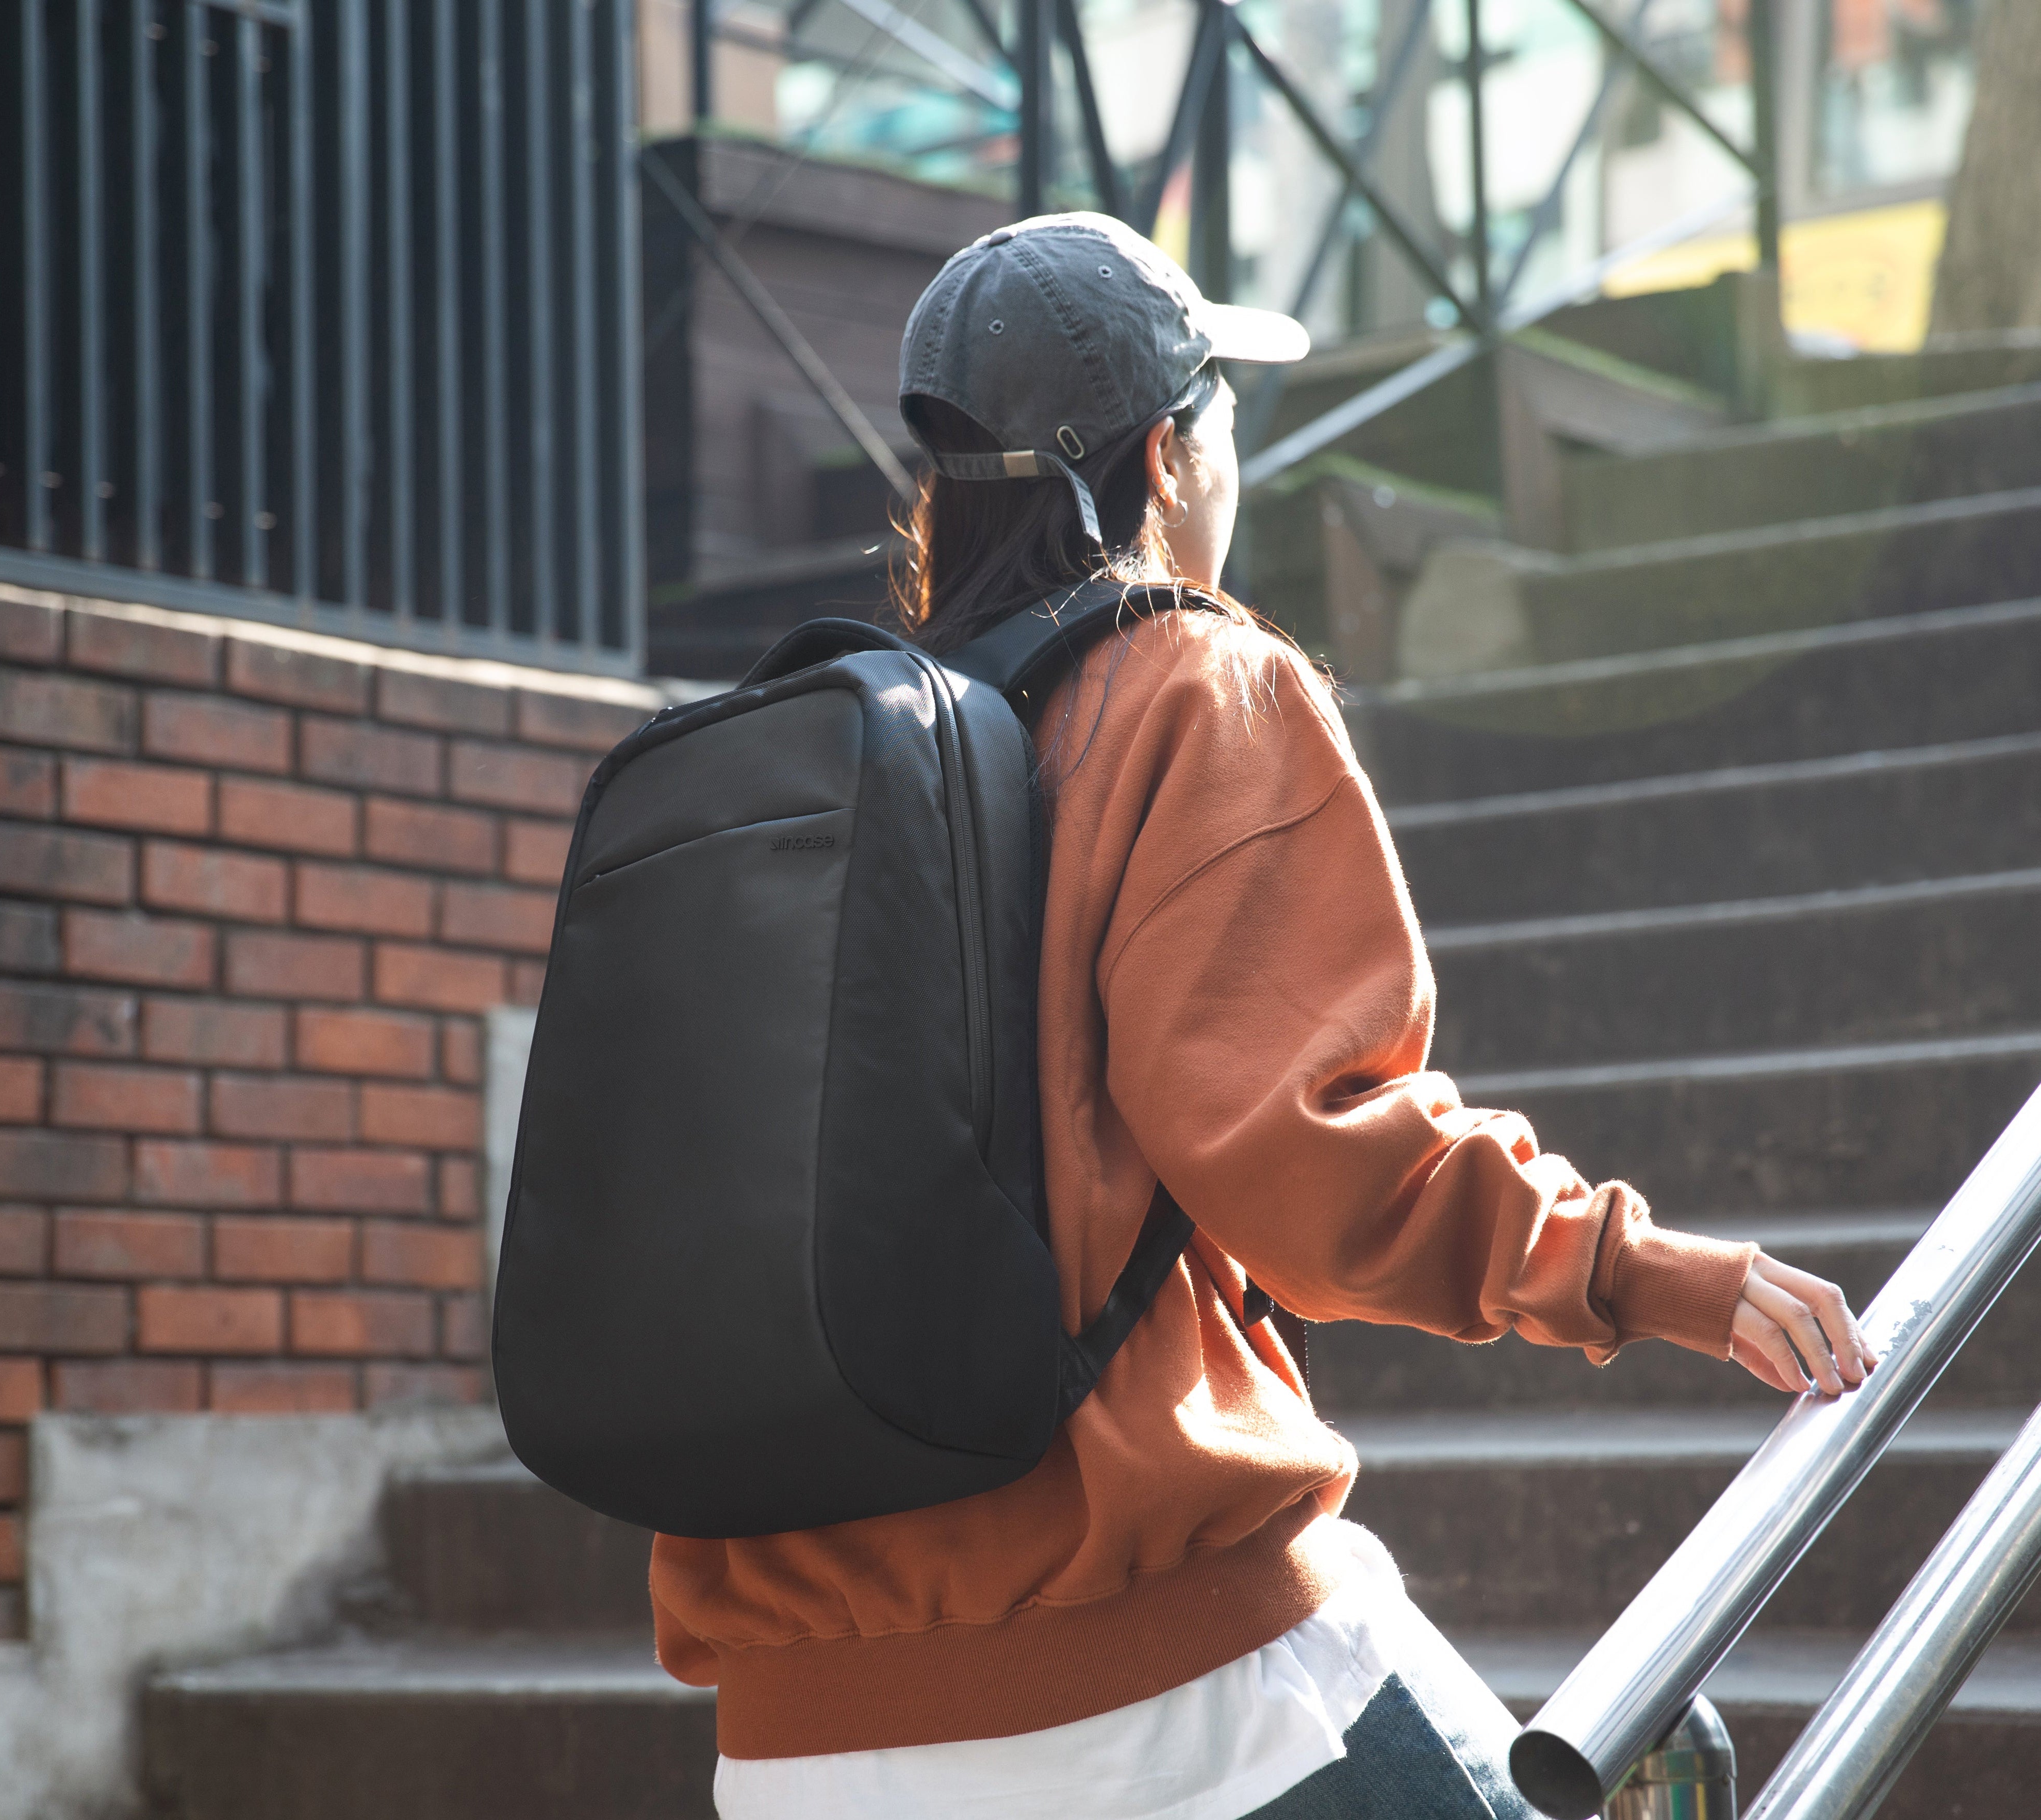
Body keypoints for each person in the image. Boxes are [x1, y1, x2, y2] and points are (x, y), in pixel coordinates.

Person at [650, 213, 1875, 1820]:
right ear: (1163, 457)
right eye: (1226, 414)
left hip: (791, 1735)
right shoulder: (1190, 687)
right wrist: (1641, 1268)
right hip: (1162, 1695)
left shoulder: (830, 752)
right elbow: (1313, 1162)